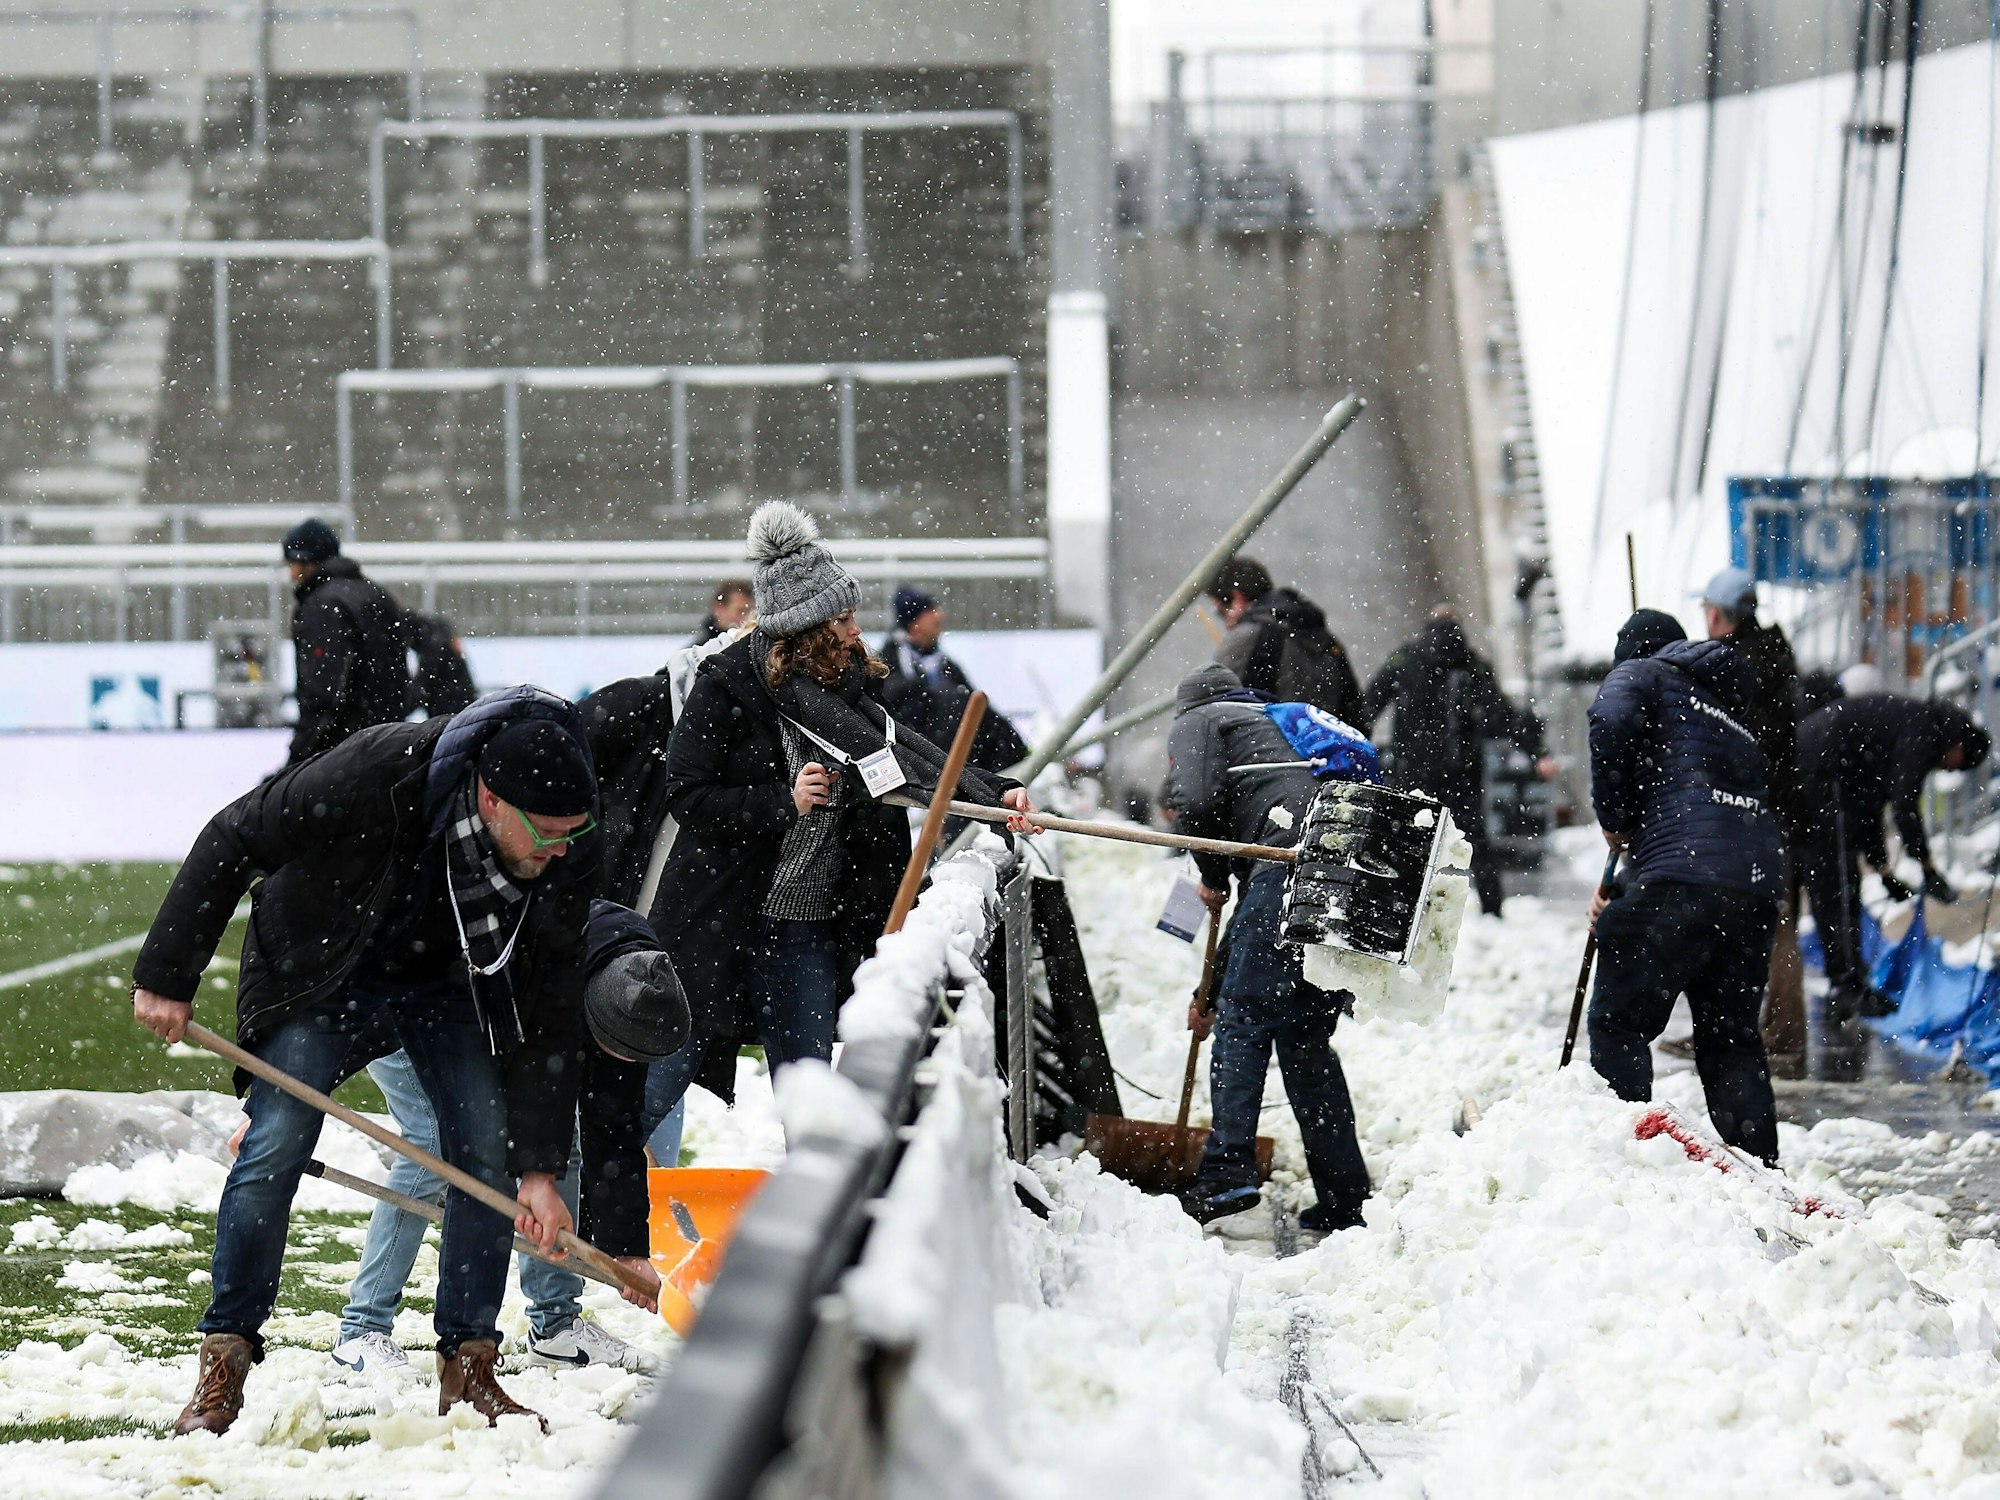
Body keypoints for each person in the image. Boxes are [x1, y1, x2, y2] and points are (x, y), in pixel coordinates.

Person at [129, 686, 604, 1437]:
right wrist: (167, 973)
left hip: (450, 978)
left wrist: (540, 1168)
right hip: (328, 963)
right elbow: (232, 836)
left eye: (570, 835)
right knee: (276, 1143)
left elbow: (549, 1003)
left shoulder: (569, 840)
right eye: (543, 835)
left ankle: (470, 1366)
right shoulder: (379, 771)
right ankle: (225, 1360)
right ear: (488, 797)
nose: (558, 851)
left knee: (483, 1151)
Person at [645, 501, 1037, 1116]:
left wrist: (991, 794)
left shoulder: (851, 690)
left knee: (813, 1107)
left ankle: (819, 1211)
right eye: (844, 618)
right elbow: (687, 794)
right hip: (720, 926)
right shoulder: (727, 686)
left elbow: (910, 753)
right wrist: (783, 801)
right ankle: (579, 1203)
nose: (858, 631)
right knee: (655, 1088)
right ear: (808, 628)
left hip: (806, 935)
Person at [329, 900, 685, 1375]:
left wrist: (629, 1251)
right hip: (400, 1014)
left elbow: (613, 1130)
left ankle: (556, 1327)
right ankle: (362, 1330)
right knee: (432, 1142)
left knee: (567, 1144)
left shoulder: (638, 991)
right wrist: (288, 1096)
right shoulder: (531, 964)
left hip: (487, 1025)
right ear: (586, 1016)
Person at [1161, 664, 1371, 1233]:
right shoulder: (1276, 730)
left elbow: (1196, 803)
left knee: (1244, 1021)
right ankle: (1345, 1192)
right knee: (1304, 1039)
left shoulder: (1201, 719)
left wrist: (1210, 872)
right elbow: (1254, 928)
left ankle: (1228, 1170)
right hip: (1345, 867)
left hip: (1289, 864)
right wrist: (1209, 990)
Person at [1585, 609, 1785, 1165]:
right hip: (1752, 888)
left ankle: (1627, 1163)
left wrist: (1615, 818)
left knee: (1617, 1021)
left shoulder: (1640, 674)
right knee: (1730, 1040)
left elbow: (1609, 719)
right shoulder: (1728, 715)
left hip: (1687, 877)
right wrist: (1628, 889)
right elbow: (1698, 815)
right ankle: (1762, 1173)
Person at [1795, 693, 1992, 1019]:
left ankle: (1848, 983)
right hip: (1818, 769)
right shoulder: (1924, 734)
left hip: (1830, 773)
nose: (1952, 770)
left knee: (1840, 881)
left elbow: (1871, 804)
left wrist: (1884, 871)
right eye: (1960, 764)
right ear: (1959, 746)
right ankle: (1846, 987)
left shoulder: (1916, 728)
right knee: (1838, 883)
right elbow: (1903, 807)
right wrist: (1928, 868)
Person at [1364, 607, 1551, 916]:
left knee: (1404, 841)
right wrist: (1536, 751)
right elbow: (1502, 715)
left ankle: (1396, 908)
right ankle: (1493, 910)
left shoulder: (1406, 659)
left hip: (1413, 770)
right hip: (1460, 772)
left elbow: (1369, 704)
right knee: (1476, 843)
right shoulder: (1472, 665)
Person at [1696, 566, 1806, 1078]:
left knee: (1763, 924)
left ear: (1718, 615)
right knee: (1773, 920)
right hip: (1782, 808)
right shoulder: (1776, 658)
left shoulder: (1735, 666)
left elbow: (1737, 744)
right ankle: (1760, 1030)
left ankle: (1773, 1035)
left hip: (1755, 811)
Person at [280, 517, 414, 766]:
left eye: (292, 563)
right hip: (390, 747)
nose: (291, 574)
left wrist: (298, 760)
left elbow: (324, 693)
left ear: (307, 561)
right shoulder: (376, 593)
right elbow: (398, 679)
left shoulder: (323, 605)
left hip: (343, 758)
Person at [879, 584, 1031, 774]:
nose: (939, 615)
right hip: (917, 759)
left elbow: (978, 706)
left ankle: (1018, 770)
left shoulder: (945, 664)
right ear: (913, 624)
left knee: (979, 712)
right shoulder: (889, 663)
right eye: (930, 610)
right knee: (951, 697)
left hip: (954, 756)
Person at [1208, 557, 1365, 725]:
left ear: (1237, 599)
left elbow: (1213, 712)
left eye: (1221, 612)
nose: (1226, 624)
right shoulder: (1316, 631)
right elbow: (1355, 709)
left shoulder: (1246, 636)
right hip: (1329, 745)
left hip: (1271, 746)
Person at [406, 612, 478, 717]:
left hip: (447, 713)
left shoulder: (433, 648)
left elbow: (421, 688)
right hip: (461, 708)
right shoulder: (442, 637)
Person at [691, 578, 754, 647]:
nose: (747, 617)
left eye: (751, 612)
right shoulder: (700, 653)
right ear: (719, 607)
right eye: (740, 611)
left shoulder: (757, 647)